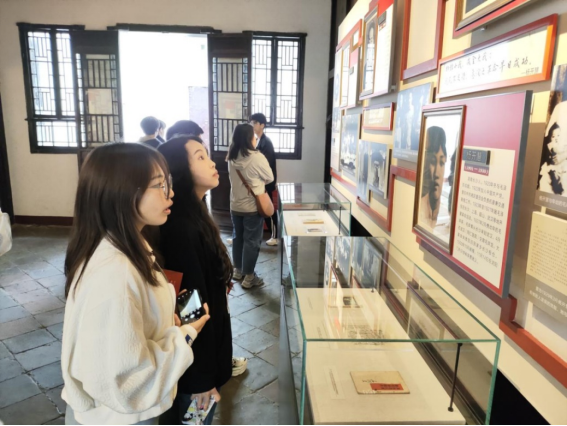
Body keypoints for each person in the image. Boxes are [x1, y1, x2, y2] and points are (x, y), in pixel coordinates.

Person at [61, 143, 210, 425]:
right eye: (159, 185)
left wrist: (164, 321)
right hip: (120, 417)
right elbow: (127, 379)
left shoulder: (125, 246)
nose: (170, 193)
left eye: (168, 182)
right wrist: (186, 334)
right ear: (123, 192)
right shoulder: (114, 273)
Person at [157, 136, 245, 425]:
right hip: (195, 373)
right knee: (195, 421)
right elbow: (190, 308)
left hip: (201, 361)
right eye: (200, 157)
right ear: (180, 169)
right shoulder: (180, 227)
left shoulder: (194, 213)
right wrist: (202, 379)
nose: (211, 162)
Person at [228, 123, 274, 289]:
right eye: (253, 136)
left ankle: (238, 270)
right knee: (252, 241)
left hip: (235, 205)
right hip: (252, 207)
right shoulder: (257, 157)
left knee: (237, 238)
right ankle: (249, 277)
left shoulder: (231, 156)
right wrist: (257, 180)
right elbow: (269, 177)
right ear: (250, 138)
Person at [250, 113, 279, 246]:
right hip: (261, 182)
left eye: (255, 123)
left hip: (267, 182)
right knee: (264, 208)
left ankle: (275, 236)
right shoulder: (258, 140)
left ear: (262, 125)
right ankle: (272, 235)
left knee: (269, 209)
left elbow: (266, 164)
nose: (252, 125)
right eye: (251, 122)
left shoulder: (266, 143)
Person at [419, 126, 447, 230]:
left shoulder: (436, 207)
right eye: (432, 162)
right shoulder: (422, 208)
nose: (437, 173)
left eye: (442, 162)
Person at [539, 123, 566, 195]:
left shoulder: (563, 145)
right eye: (553, 136)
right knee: (549, 178)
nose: (556, 138)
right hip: (552, 166)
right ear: (550, 138)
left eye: (558, 135)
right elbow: (553, 150)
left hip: (561, 166)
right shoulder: (551, 145)